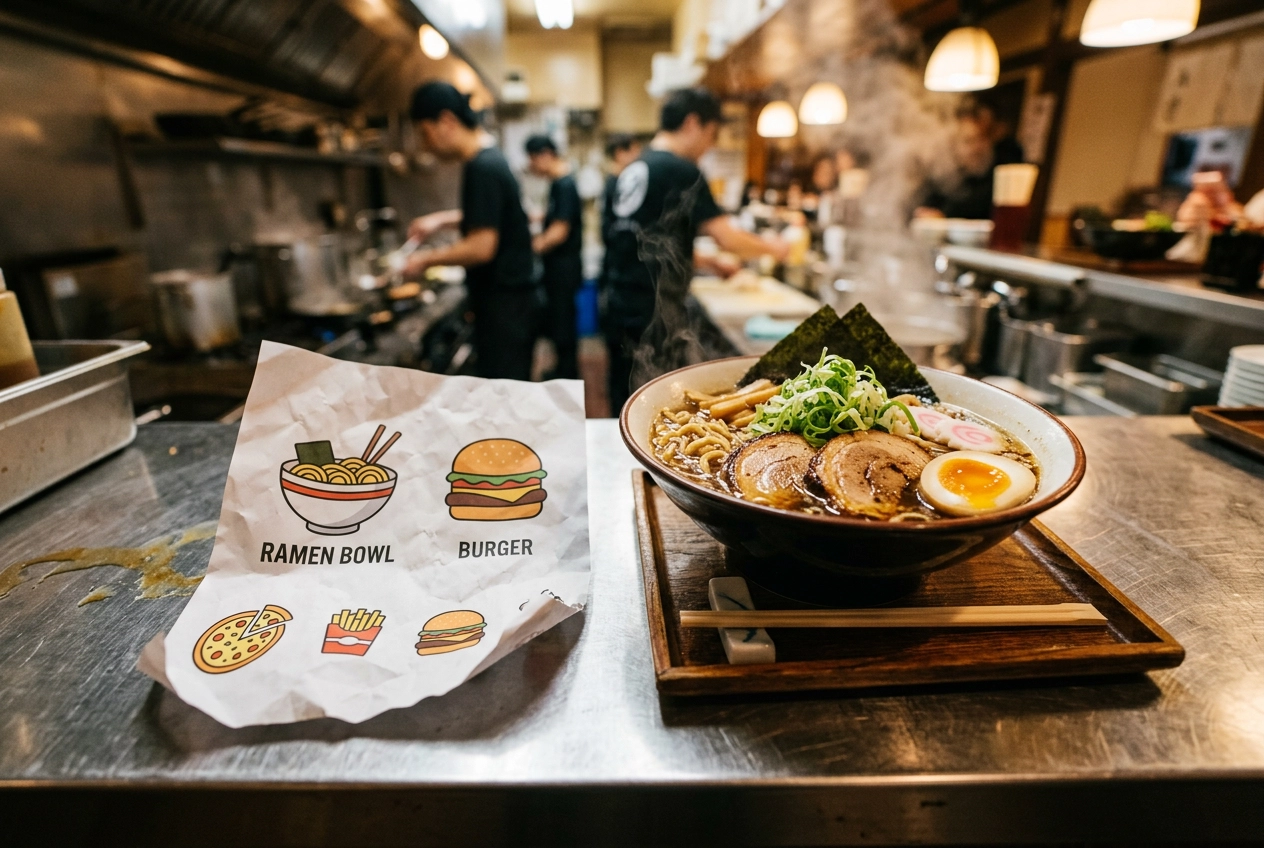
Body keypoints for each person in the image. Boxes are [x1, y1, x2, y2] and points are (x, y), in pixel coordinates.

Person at [603, 87, 788, 413]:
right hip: (654, 312)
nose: (710, 146)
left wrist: (709, 263)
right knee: (656, 406)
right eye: (711, 134)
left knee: (625, 400)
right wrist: (774, 247)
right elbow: (727, 238)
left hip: (618, 303)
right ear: (692, 123)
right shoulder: (680, 170)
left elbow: (647, 245)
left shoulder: (635, 166)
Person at [405, 82, 536, 380]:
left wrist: (423, 261)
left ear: (447, 121)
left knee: (504, 393)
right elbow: (491, 216)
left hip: (504, 307)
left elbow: (481, 247)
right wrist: (440, 221)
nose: (425, 145)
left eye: (425, 133)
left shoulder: (482, 167)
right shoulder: (490, 158)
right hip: (513, 304)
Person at [525, 134, 583, 380]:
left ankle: (566, 376)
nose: (531, 166)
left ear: (546, 155)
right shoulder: (560, 183)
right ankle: (563, 372)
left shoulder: (564, 184)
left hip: (563, 270)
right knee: (560, 324)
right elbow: (555, 217)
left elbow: (559, 231)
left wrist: (528, 249)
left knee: (563, 327)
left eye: (532, 159)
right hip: (560, 269)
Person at [915, 102, 1023, 220]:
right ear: (955, 147)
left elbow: (982, 201)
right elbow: (928, 204)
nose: (976, 148)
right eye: (968, 141)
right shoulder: (947, 177)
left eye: (981, 138)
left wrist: (945, 214)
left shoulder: (1000, 169)